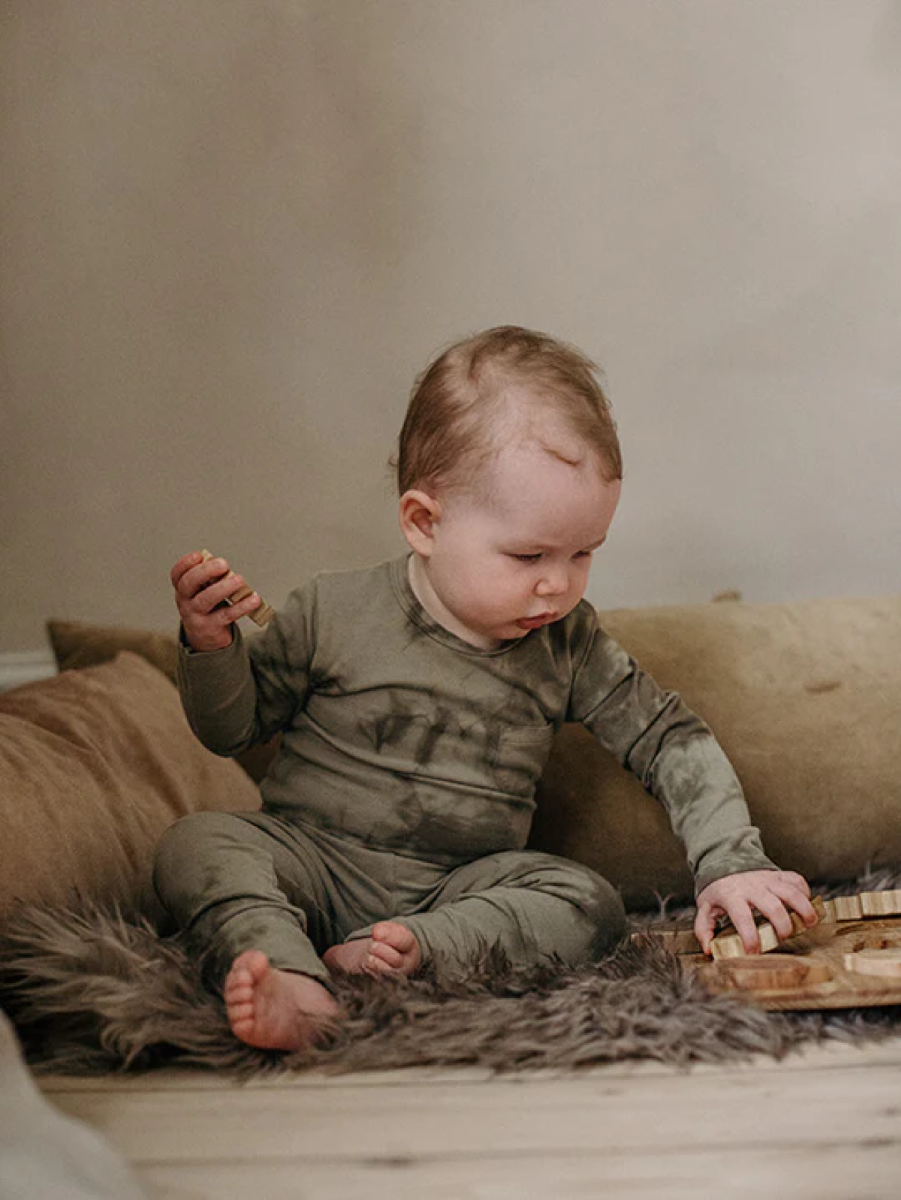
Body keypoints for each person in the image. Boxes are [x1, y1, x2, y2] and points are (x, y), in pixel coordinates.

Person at [156, 325, 817, 1052]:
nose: (556, 583)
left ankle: (409, 953)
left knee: (587, 904)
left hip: (459, 889)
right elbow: (231, 729)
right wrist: (212, 643)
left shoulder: (569, 644)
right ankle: (291, 977)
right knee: (199, 843)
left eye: (582, 554)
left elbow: (669, 740)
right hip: (311, 861)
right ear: (423, 523)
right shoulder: (330, 610)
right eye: (528, 553)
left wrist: (730, 861)